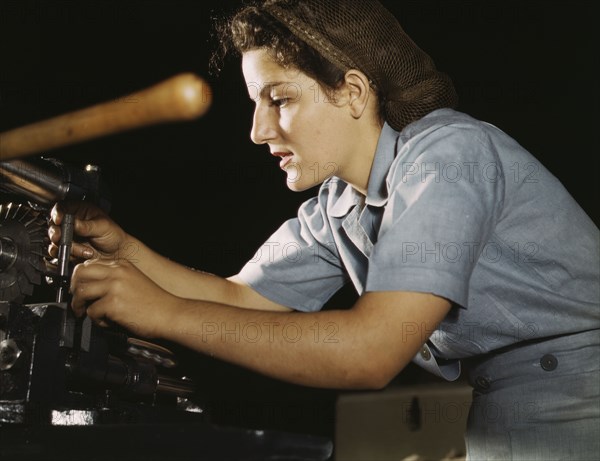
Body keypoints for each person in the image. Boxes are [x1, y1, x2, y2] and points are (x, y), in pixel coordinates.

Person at [49, 0, 599, 459]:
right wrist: (127, 253)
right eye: (255, 104)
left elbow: (369, 353)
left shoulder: (449, 156)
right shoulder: (341, 205)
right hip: (499, 416)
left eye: (280, 99)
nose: (259, 131)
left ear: (354, 92)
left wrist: (164, 314)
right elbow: (238, 297)